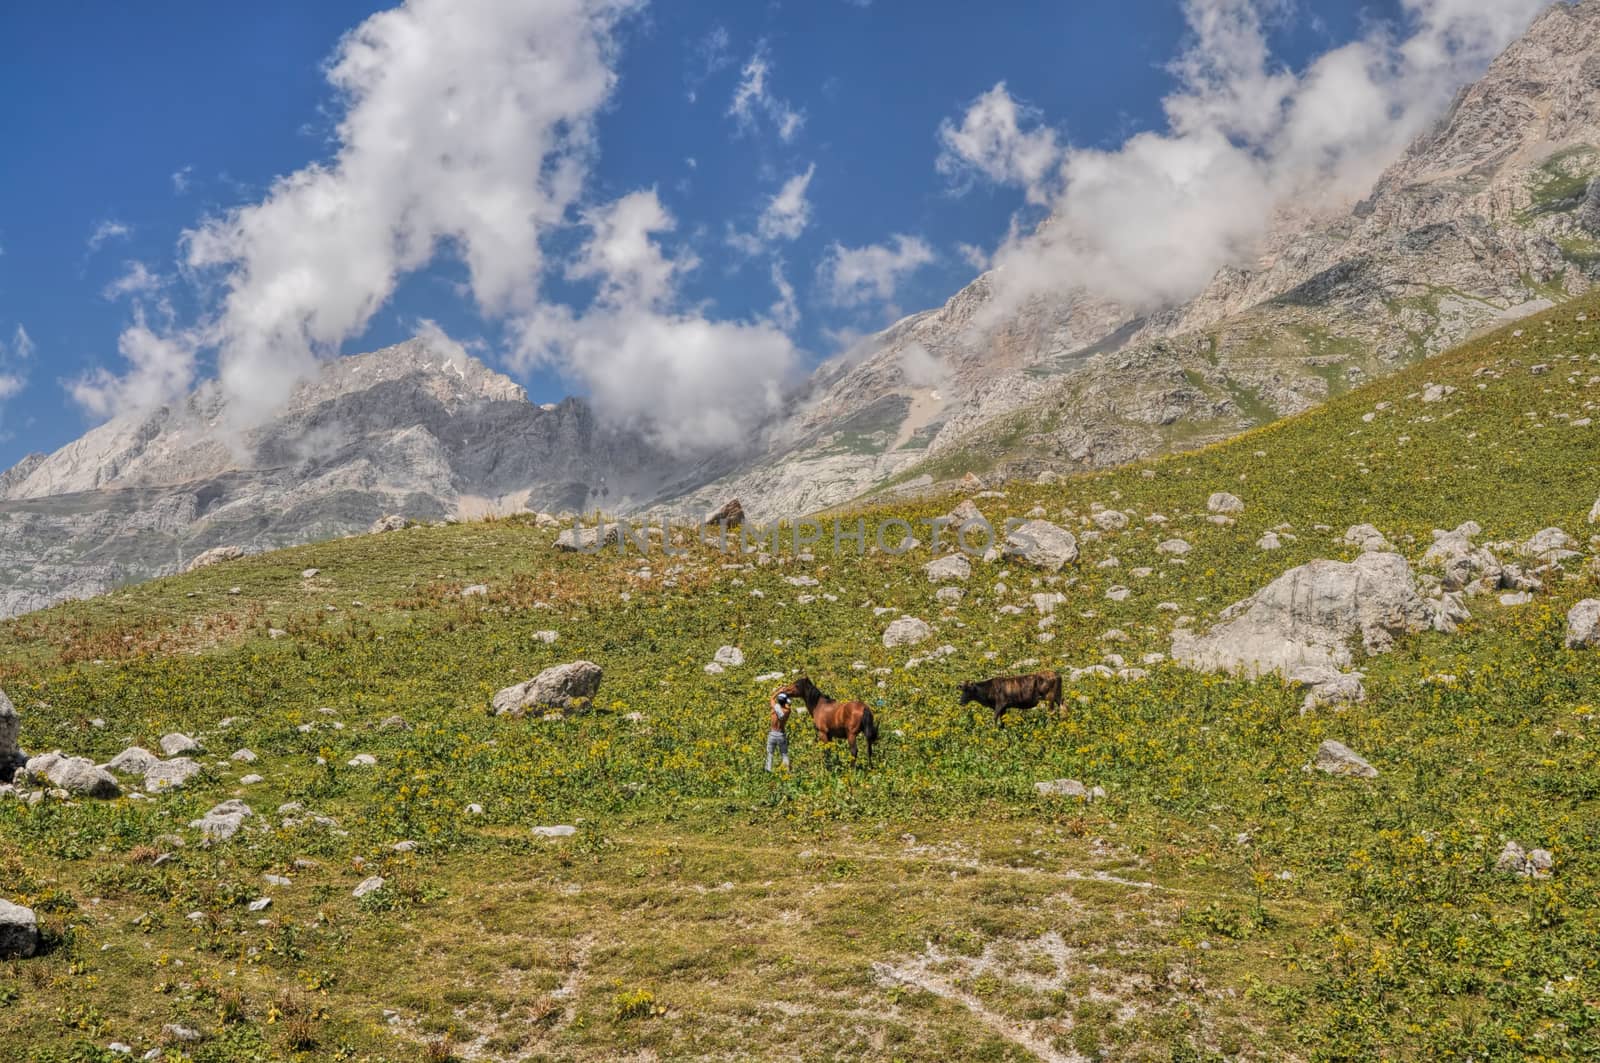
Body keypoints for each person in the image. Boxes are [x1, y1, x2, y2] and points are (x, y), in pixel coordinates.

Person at [765, 689, 792, 772]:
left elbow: (772, 698)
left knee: (770, 753)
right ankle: (787, 771)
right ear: (785, 702)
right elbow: (788, 705)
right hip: (781, 734)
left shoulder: (774, 708)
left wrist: (779, 691)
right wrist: (788, 701)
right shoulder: (787, 711)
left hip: (772, 733)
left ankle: (768, 770)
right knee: (784, 754)